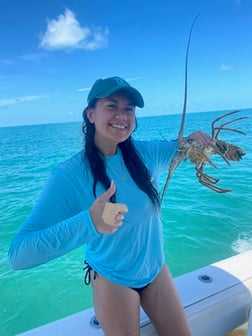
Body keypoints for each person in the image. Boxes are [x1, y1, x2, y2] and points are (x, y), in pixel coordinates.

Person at [8, 76, 210, 336]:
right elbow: (18, 255)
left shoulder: (147, 154)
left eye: (129, 109)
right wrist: (89, 223)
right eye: (112, 106)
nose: (122, 115)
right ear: (91, 114)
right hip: (113, 281)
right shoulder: (68, 175)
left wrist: (195, 141)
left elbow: (182, 149)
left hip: (156, 270)